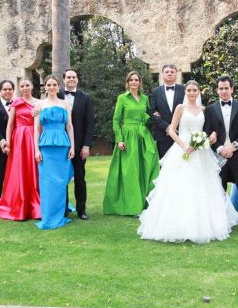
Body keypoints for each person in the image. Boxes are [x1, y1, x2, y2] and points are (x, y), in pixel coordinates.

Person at [137, 80, 238, 243]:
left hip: (200, 152)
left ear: (199, 92)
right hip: (182, 149)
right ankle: (176, 225)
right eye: (189, 91)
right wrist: (184, 145)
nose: (192, 93)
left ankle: (204, 225)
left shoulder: (204, 110)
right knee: (179, 186)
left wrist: (212, 136)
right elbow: (172, 130)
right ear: (185, 92)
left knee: (202, 185)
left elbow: (210, 129)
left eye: (195, 90)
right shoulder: (180, 108)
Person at [203, 76, 238, 236]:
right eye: (221, 88)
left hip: (237, 154)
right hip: (218, 156)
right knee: (219, 189)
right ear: (217, 90)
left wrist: (233, 146)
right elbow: (207, 131)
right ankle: (220, 221)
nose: (224, 91)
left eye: (226, 88)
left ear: (232, 89)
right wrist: (220, 148)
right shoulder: (211, 109)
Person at [103, 71, 160, 216]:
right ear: (127, 82)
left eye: (136, 80)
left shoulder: (145, 98)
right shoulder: (122, 98)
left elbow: (147, 117)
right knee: (131, 171)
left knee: (147, 168)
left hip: (143, 135)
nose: (134, 82)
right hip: (128, 137)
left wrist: (153, 116)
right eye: (131, 80)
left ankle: (148, 203)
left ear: (140, 82)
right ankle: (132, 207)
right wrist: (119, 139)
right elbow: (116, 121)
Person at [0, 79, 41, 221]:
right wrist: (8, 143)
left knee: (34, 169)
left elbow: (41, 123)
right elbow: (10, 125)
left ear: (32, 86)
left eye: (27, 85)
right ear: (20, 88)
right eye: (22, 86)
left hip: (33, 137)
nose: (25, 88)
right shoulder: (16, 103)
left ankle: (35, 203)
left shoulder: (39, 103)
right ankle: (19, 202)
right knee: (19, 170)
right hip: (19, 139)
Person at [34, 75, 75, 230]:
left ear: (58, 87)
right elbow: (36, 129)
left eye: (54, 84)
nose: (51, 87)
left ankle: (60, 216)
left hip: (63, 145)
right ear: (45, 86)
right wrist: (36, 150)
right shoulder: (39, 105)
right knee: (47, 182)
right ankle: (48, 217)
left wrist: (72, 146)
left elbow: (70, 126)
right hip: (45, 146)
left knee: (60, 182)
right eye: (49, 84)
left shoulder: (65, 104)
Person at [58, 68, 94, 220]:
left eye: (74, 77)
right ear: (64, 79)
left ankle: (81, 210)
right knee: (61, 179)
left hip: (79, 146)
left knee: (80, 177)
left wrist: (86, 145)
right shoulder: (56, 94)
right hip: (59, 145)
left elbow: (90, 123)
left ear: (77, 79)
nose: (71, 79)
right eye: (68, 77)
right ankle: (63, 209)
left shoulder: (85, 98)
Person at [148, 64, 186, 158]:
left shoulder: (184, 90)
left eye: (172, 72)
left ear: (176, 74)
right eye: (167, 72)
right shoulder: (155, 91)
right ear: (162, 74)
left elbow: (188, 109)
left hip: (181, 134)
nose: (169, 74)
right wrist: (168, 127)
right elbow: (152, 111)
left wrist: (174, 128)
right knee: (164, 166)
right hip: (163, 134)